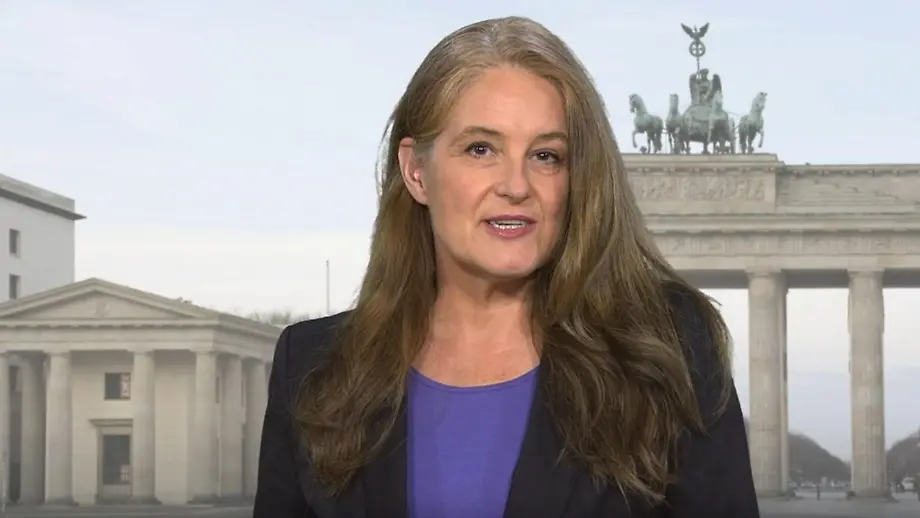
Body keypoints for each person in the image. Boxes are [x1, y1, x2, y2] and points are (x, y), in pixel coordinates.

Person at [254, 16, 758, 518]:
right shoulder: (311, 366)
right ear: (416, 171)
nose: (517, 186)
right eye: (481, 149)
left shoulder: (669, 349)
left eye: (546, 156)